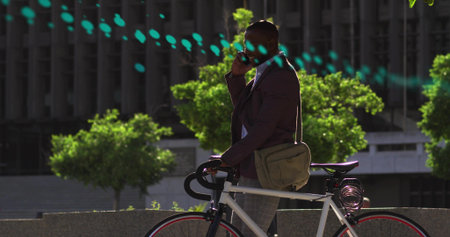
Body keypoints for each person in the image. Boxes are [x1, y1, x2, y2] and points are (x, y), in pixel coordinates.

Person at [218, 20, 301, 237]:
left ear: (271, 43)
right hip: (252, 164)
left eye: (253, 43)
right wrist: (237, 76)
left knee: (248, 233)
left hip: (265, 168)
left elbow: (263, 128)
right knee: (238, 233)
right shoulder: (265, 71)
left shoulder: (280, 74)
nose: (246, 49)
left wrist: (229, 157)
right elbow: (245, 114)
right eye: (245, 43)